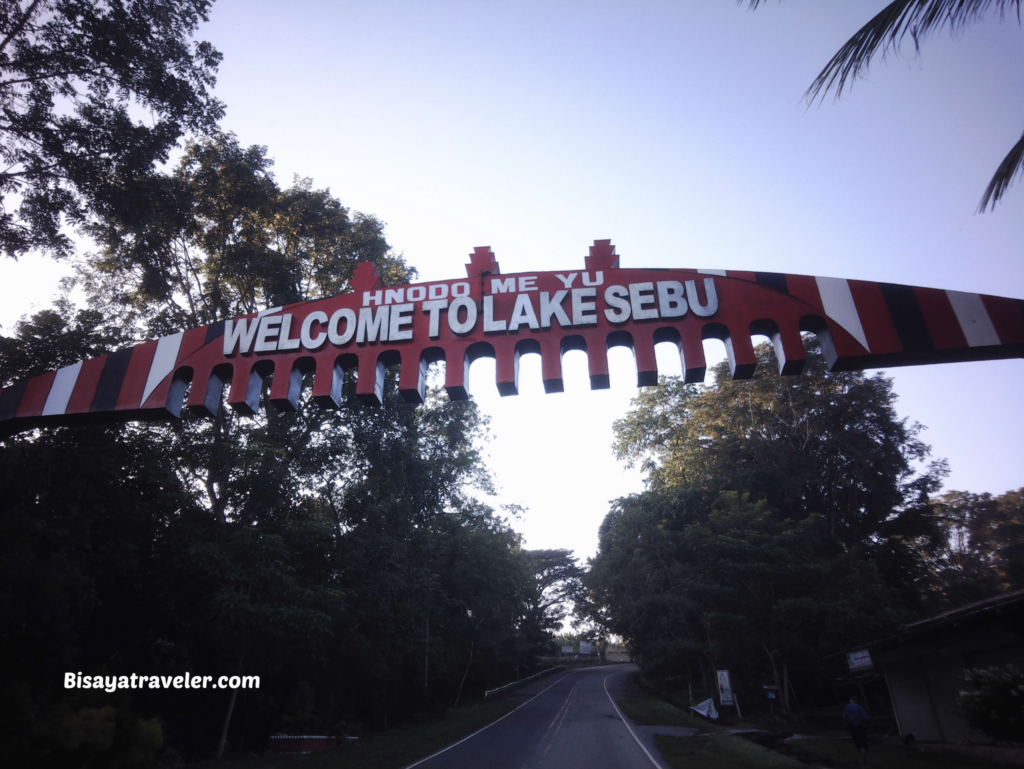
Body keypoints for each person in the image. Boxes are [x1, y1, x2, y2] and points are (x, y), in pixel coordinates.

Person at [842, 695, 870, 767]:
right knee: (863, 744)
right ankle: (863, 763)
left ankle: (863, 762)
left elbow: (844, 717)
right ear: (856, 701)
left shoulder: (846, 707)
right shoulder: (858, 707)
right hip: (859, 726)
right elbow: (866, 717)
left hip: (852, 727)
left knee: (858, 744)